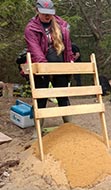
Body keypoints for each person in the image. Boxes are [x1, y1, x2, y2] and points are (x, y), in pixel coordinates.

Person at [24, 0, 74, 129]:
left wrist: (70, 60)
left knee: (63, 96)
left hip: (60, 64)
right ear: (37, 11)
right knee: (41, 99)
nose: (47, 16)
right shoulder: (31, 28)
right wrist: (45, 67)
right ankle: (38, 131)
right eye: (44, 13)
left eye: (49, 13)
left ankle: (70, 127)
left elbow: (67, 46)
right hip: (41, 67)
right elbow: (35, 50)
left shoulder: (62, 25)